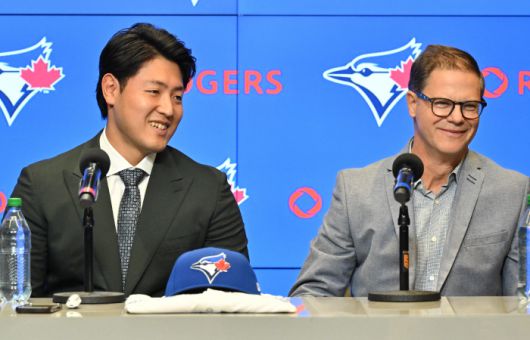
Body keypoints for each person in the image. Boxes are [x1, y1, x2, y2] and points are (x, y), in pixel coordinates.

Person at [11, 23, 248, 297]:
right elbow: (16, 305)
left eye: (178, 97)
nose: (169, 109)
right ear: (111, 89)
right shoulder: (43, 185)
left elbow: (234, 303)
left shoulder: (208, 189)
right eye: (154, 92)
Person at [290, 45, 530, 297]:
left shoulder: (513, 192)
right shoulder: (356, 190)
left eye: (469, 106)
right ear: (413, 104)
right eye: (442, 103)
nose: (457, 117)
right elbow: (314, 293)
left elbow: (522, 302)